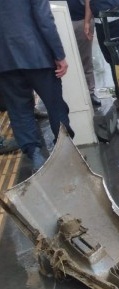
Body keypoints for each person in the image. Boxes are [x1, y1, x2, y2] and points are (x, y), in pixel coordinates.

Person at [0, 0, 75, 171]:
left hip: (4, 61)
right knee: (55, 105)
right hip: (36, 55)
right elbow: (44, 19)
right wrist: (59, 54)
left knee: (19, 110)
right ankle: (65, 150)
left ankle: (35, 155)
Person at [58, 0, 101, 106]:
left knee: (85, 58)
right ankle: (63, 95)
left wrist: (87, 21)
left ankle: (90, 92)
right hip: (56, 19)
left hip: (81, 19)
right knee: (59, 60)